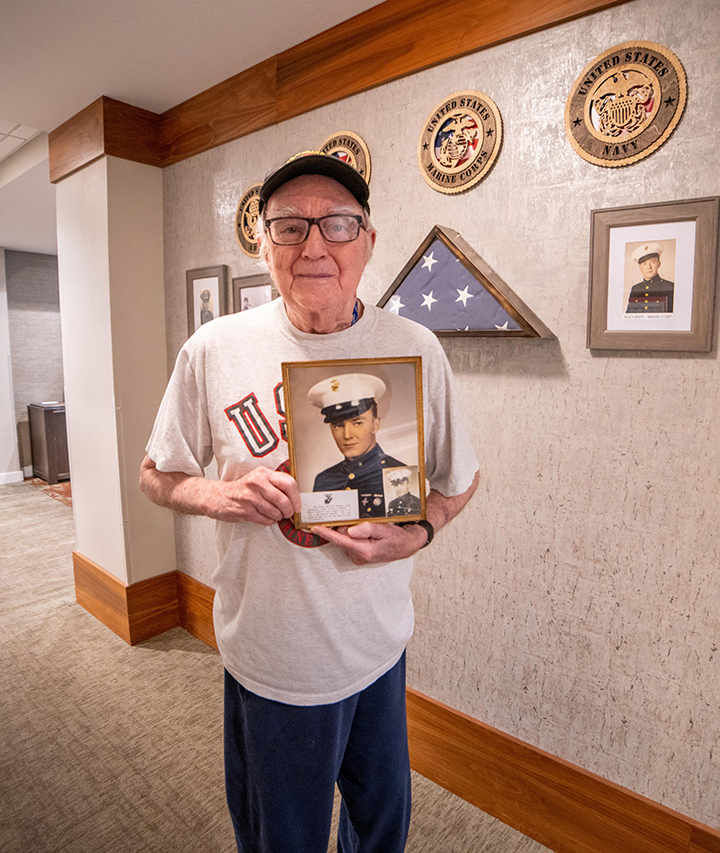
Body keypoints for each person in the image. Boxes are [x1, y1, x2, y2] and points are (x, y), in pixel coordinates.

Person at [139, 150, 480, 853]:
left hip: (381, 645)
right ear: (263, 245)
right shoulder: (214, 349)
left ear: (369, 241)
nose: (315, 244)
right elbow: (156, 473)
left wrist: (420, 532)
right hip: (272, 659)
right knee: (282, 839)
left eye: (338, 224)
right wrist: (217, 494)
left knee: (381, 826)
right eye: (289, 226)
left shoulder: (414, 345)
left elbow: (461, 476)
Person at [308, 373, 405, 518]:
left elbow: (406, 535)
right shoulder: (324, 480)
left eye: (357, 423)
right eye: (338, 426)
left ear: (376, 425)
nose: (347, 435)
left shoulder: (400, 475)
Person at [626, 242, 674, 313]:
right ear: (640, 267)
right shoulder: (635, 289)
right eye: (644, 263)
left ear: (659, 264)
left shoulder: (670, 287)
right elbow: (629, 317)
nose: (649, 267)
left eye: (653, 262)